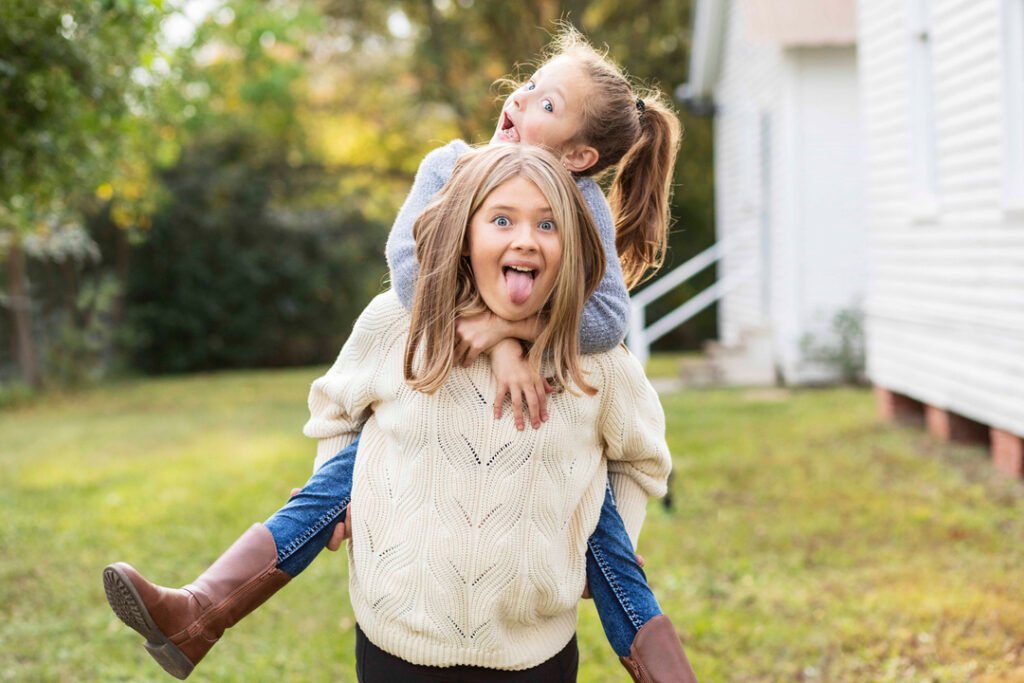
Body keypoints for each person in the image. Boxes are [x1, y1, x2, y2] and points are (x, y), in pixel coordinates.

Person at [102, 27, 696, 683]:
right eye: (500, 218)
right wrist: (485, 332)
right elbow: (405, 287)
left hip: (532, 632)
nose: (521, 98)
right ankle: (198, 611)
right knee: (345, 471)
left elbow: (609, 323)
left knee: (599, 521)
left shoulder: (586, 232)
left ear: (579, 160)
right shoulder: (445, 179)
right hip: (401, 625)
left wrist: (522, 335)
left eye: (547, 103)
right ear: (465, 223)